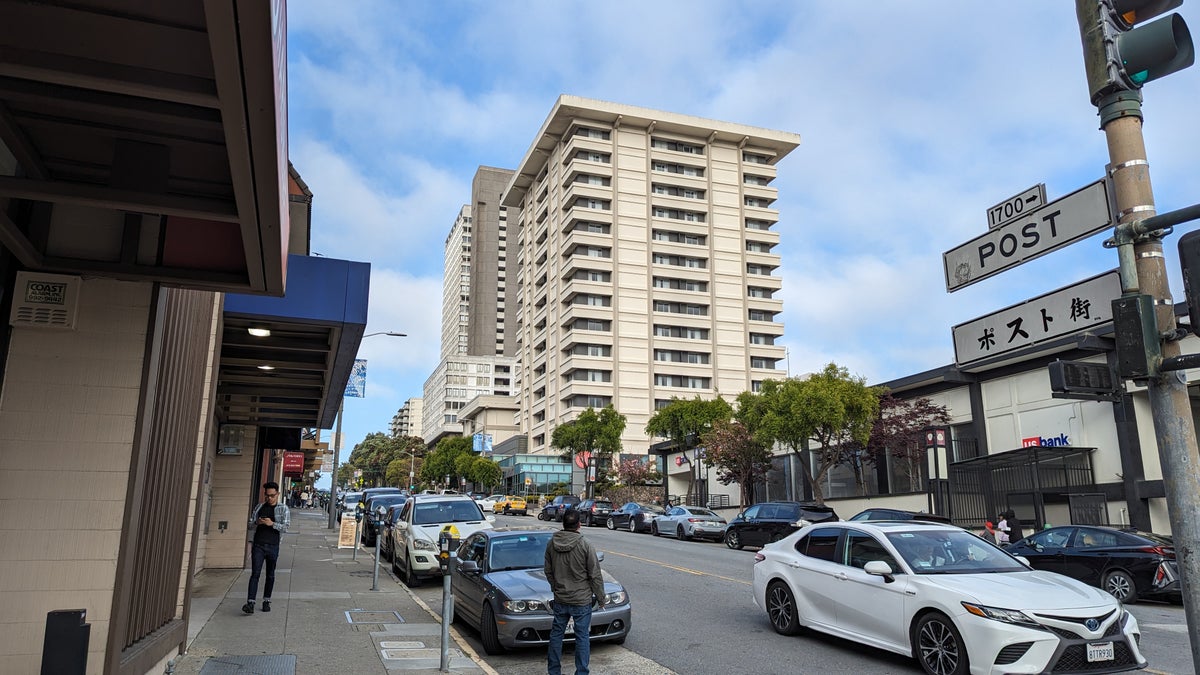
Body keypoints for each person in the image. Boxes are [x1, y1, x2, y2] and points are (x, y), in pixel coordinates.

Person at [544, 509, 605, 675]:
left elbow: (548, 571)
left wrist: (555, 587)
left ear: (563, 523)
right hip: (581, 599)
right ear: (579, 524)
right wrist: (601, 598)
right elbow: (595, 574)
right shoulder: (585, 544)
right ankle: (582, 672)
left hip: (561, 598)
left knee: (556, 635)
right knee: (582, 637)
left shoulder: (551, 543)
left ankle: (554, 671)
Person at [243, 481, 290, 614]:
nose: (269, 498)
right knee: (255, 573)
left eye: (272, 495)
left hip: (273, 545)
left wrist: (272, 523)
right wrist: (257, 522)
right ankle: (250, 602)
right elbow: (250, 524)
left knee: (270, 574)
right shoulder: (259, 507)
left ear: (278, 494)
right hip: (258, 544)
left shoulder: (283, 509)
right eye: (267, 496)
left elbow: (286, 527)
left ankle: (266, 600)